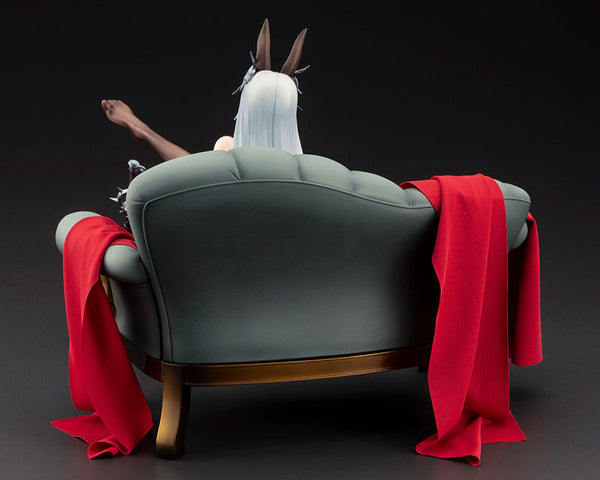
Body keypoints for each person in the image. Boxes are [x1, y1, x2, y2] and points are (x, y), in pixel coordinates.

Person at [101, 19, 307, 162]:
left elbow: (191, 171)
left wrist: (138, 126)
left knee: (224, 146)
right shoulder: (309, 176)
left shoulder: (231, 159)